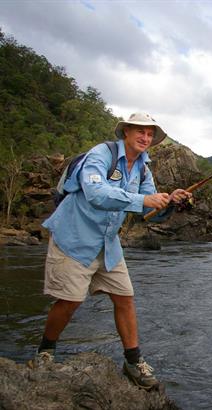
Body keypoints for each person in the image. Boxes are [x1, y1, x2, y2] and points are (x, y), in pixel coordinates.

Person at [31, 113, 190, 390]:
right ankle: (45, 351)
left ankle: (132, 362)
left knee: (125, 298)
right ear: (126, 132)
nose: (146, 138)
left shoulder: (143, 168)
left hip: (108, 243)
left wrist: (170, 201)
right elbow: (95, 193)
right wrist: (144, 199)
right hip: (74, 237)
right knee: (69, 302)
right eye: (140, 131)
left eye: (150, 134)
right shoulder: (100, 155)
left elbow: (147, 211)